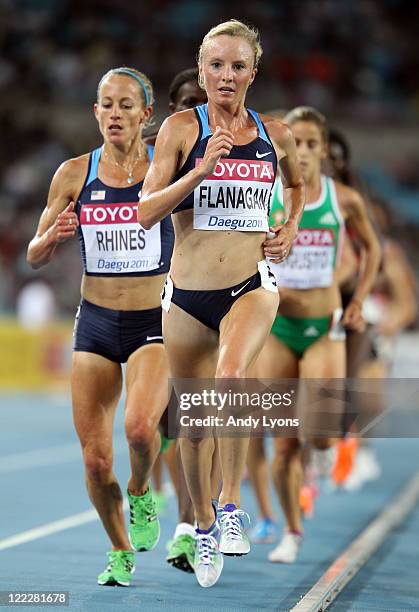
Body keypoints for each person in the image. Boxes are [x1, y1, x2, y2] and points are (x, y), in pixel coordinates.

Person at [138, 20, 304, 587]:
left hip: (249, 285)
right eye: (216, 65)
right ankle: (204, 522)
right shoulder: (182, 129)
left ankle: (232, 505)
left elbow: (299, 185)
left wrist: (290, 227)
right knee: (193, 428)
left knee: (232, 380)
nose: (225, 76)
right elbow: (144, 210)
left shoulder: (274, 134)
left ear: (252, 74)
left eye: (237, 66)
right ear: (201, 69)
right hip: (185, 295)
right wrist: (200, 171)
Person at [27, 67, 174, 587]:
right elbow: (34, 253)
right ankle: (118, 550)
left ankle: (140, 490)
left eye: (126, 105)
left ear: (145, 114)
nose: (115, 114)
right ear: (95, 112)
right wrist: (53, 239)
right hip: (93, 322)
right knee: (94, 459)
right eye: (106, 104)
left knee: (138, 429)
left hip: (153, 319)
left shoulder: (166, 168)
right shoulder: (72, 174)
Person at [253, 107, 381, 564]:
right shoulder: (264, 195)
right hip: (277, 328)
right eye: (296, 143)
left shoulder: (341, 199)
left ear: (323, 149)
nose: (303, 152)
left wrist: (359, 299)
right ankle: (292, 531)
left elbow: (373, 247)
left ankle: (326, 451)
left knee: (321, 434)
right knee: (283, 441)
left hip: (323, 327)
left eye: (311, 144)